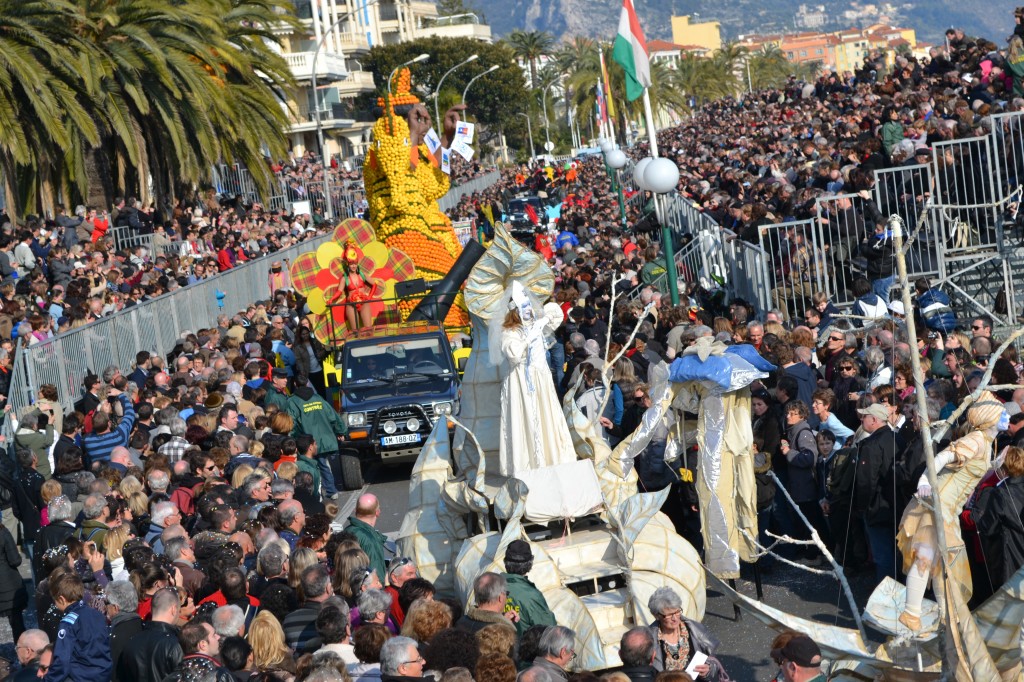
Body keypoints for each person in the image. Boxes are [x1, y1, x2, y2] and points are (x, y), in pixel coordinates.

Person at [897, 392, 1006, 630]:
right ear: (990, 418)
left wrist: (996, 466)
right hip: (938, 502)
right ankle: (912, 613)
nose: (1005, 417)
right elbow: (943, 456)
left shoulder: (986, 443)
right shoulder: (976, 439)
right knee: (927, 556)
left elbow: (974, 473)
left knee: (943, 563)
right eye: (1002, 414)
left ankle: (946, 615)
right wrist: (925, 480)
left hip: (949, 507)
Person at [497, 281, 576, 475]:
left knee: (546, 419)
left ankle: (552, 460)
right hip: (522, 384)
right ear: (515, 312)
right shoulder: (509, 333)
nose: (529, 312)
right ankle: (529, 467)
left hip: (541, 380)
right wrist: (530, 334)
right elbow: (513, 354)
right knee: (527, 422)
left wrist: (541, 321)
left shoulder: (535, 326)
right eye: (525, 309)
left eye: (529, 308)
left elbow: (556, 315)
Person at [853, 404, 898, 583]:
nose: (862, 419)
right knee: (893, 552)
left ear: (874, 420)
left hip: (877, 506)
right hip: (895, 504)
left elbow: (866, 481)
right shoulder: (897, 438)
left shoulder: (872, 445)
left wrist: (862, 507)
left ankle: (886, 597)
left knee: (882, 555)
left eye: (865, 416)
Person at [286, 372, 348, 495]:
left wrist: (291, 439)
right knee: (323, 463)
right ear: (307, 383)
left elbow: (291, 423)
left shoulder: (293, 401)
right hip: (325, 437)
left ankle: (329, 490)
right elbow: (333, 416)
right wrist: (341, 430)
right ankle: (329, 489)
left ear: (294, 384)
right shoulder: (318, 398)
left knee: (318, 465)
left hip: (308, 441)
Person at [44, 572, 112, 682]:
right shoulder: (97, 614)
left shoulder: (68, 623)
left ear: (61, 599)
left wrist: (49, 679)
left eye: (55, 601)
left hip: (82, 676)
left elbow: (62, 659)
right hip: (103, 674)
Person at [647, 587, 723, 679]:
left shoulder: (695, 629)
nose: (675, 618)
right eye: (669, 615)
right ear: (656, 616)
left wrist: (708, 669)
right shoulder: (648, 638)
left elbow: (712, 660)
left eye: (677, 611)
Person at [119, 587, 183, 682]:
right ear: (173, 609)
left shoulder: (131, 641)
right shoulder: (175, 645)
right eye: (179, 610)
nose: (179, 613)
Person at [501, 540, 555, 639]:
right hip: (524, 652)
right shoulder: (531, 596)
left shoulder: (490, 587)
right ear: (529, 564)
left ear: (505, 562)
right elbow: (549, 633)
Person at [455, 572, 518, 637]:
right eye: (506, 593)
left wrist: (503, 619)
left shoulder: (461, 623)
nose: (506, 597)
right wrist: (505, 624)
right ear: (500, 597)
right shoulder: (505, 634)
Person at [347, 494, 390, 582]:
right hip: (367, 592)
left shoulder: (346, 531)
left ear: (355, 511)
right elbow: (376, 575)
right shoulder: (370, 541)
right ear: (377, 512)